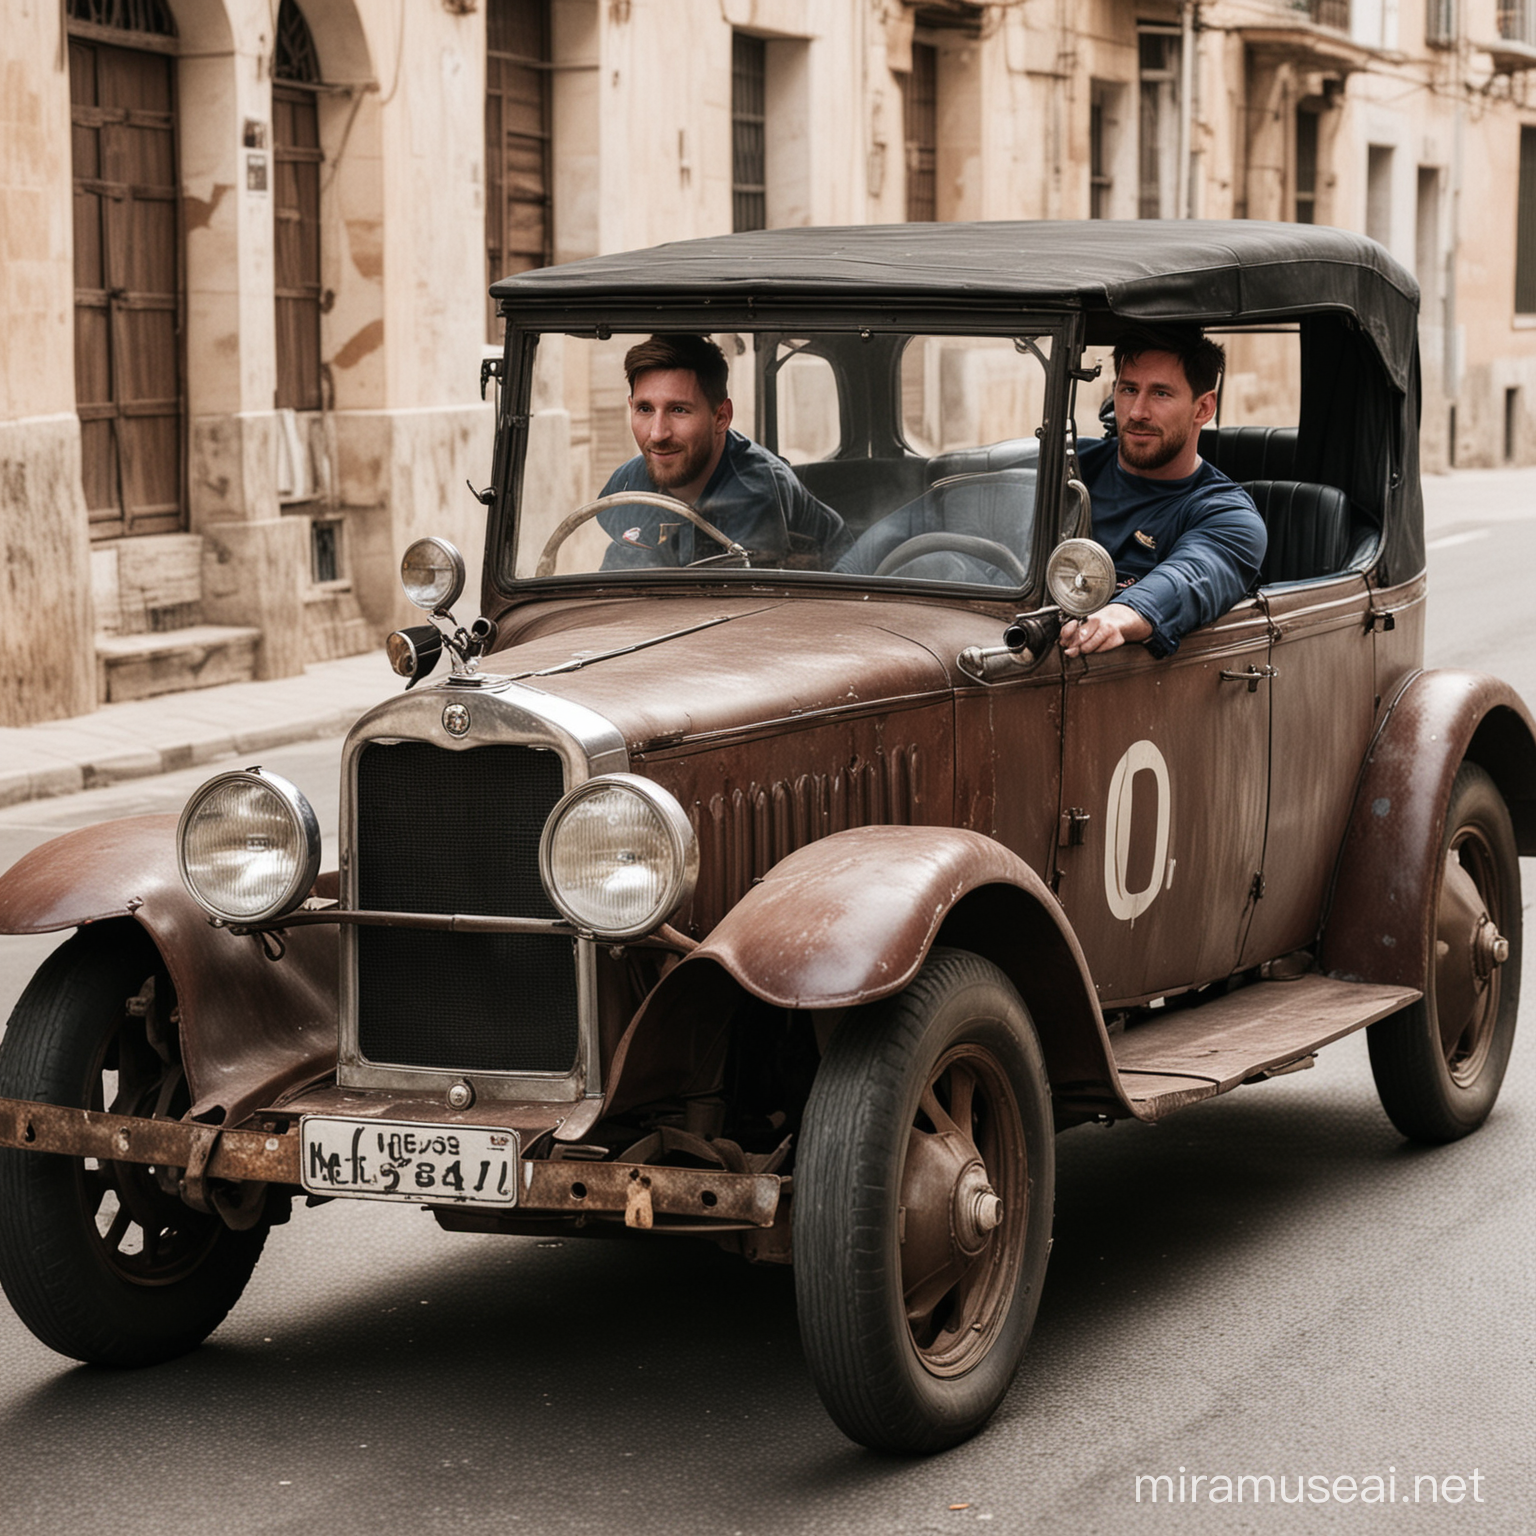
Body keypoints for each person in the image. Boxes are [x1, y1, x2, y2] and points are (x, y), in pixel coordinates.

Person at [1061, 327, 1266, 659]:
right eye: (1128, 389)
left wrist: (1118, 616)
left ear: (1203, 408)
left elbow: (1190, 576)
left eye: (1160, 394)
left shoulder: (1227, 516)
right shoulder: (1068, 467)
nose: (1137, 411)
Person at [596, 334, 851, 570]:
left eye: (679, 410)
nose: (657, 433)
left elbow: (738, 607)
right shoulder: (627, 483)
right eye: (644, 409)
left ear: (721, 417)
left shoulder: (754, 492)